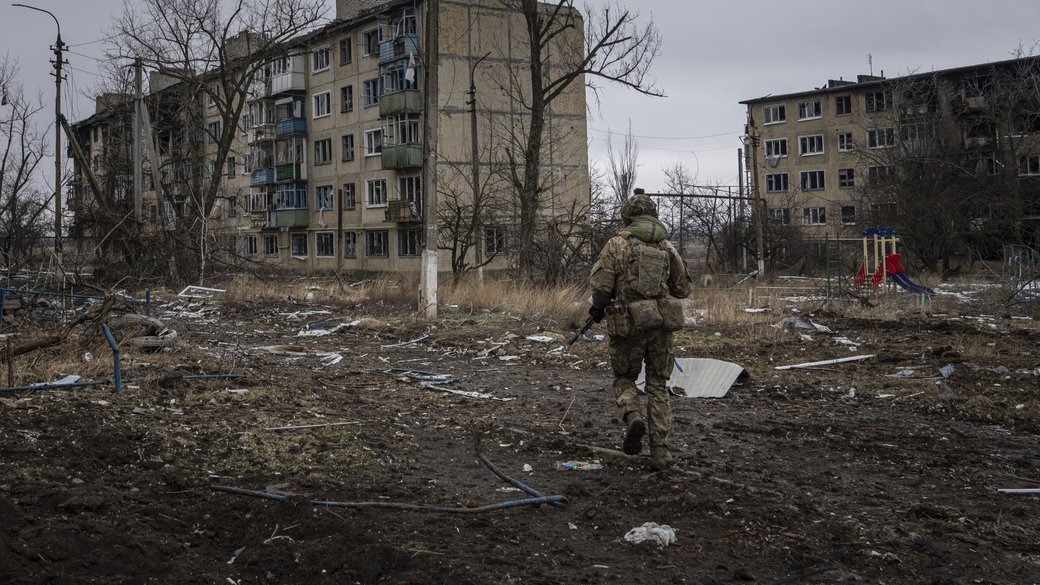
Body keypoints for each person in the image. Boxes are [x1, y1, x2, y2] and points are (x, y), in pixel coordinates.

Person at [588, 193, 693, 470]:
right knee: (658, 385)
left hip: (627, 325)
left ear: (627, 216)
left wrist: (597, 309)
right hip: (660, 326)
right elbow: (683, 289)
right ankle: (661, 451)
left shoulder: (616, 244)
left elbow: (601, 287)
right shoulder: (667, 247)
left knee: (624, 378)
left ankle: (632, 415)